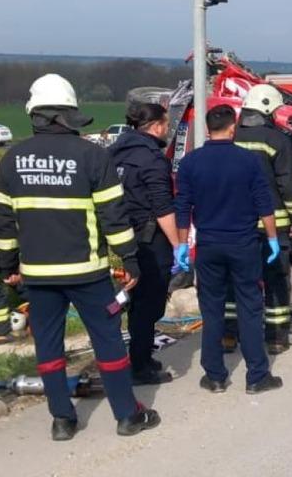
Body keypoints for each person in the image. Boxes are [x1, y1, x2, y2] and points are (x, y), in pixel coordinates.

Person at [0, 74, 159, 441]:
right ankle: (127, 415)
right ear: (69, 114)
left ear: (35, 114)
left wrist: (7, 267)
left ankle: (62, 420)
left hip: (37, 275)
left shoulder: (11, 160)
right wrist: (129, 258)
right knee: (108, 341)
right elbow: (113, 217)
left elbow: (4, 224)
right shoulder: (92, 156)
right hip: (88, 273)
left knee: (49, 346)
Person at [175, 104, 283, 395]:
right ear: (233, 128)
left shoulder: (191, 163)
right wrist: (272, 238)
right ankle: (257, 376)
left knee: (212, 311)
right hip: (244, 245)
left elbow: (183, 206)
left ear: (208, 129)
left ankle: (215, 376)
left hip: (209, 246)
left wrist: (181, 245)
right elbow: (264, 203)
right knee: (250, 308)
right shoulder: (248, 161)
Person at [233, 84, 292, 355]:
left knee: (235, 280)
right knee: (275, 281)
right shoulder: (278, 141)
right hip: (273, 227)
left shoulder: (230, 136)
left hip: (235, 225)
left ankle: (229, 336)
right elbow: (287, 185)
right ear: (266, 109)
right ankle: (275, 337)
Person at [108, 103, 176, 385]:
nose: (168, 129)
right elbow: (162, 208)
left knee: (135, 301)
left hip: (120, 237)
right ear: (157, 126)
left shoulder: (114, 151)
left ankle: (142, 355)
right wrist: (178, 244)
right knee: (149, 303)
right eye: (166, 124)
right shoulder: (152, 158)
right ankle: (140, 366)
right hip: (149, 239)